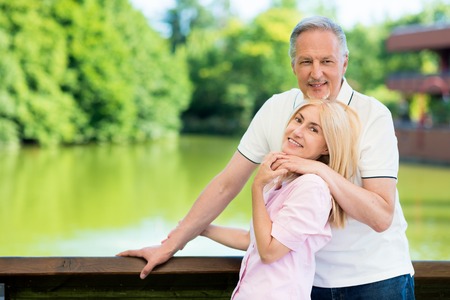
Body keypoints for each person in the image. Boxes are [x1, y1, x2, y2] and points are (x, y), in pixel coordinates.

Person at [118, 15, 415, 299]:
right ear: (292, 65)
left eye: (327, 61)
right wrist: (172, 244)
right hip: (304, 284)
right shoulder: (277, 109)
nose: (316, 72)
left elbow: (380, 216)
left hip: (376, 280)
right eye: (305, 61)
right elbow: (226, 184)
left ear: (344, 62)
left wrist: (317, 170)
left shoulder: (373, 115)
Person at [200, 99, 360, 299]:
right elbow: (253, 239)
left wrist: (257, 187)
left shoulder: (312, 187)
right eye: (298, 120)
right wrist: (202, 229)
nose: (297, 131)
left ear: (326, 148)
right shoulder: (283, 182)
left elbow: (269, 252)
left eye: (313, 130)